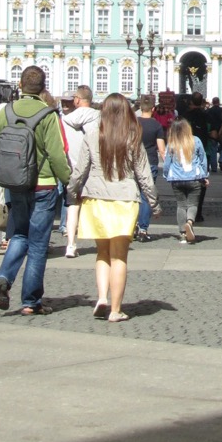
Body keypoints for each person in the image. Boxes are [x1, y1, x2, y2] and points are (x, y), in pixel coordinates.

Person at [0, 65, 71, 316]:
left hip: (15, 185)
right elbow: (57, 155)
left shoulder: (6, 112)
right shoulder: (48, 115)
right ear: (43, 88)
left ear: (20, 85)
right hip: (42, 185)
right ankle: (30, 301)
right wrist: (68, 181)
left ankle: (4, 277)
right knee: (37, 243)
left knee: (19, 235)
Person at [67, 93, 159, 321]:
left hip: (96, 199)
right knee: (119, 257)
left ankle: (101, 298)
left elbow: (80, 170)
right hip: (124, 201)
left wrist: (72, 191)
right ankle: (116, 310)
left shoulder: (92, 134)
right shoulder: (133, 136)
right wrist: (154, 203)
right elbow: (144, 174)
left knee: (102, 253)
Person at [62, 85, 100, 257]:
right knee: (97, 205)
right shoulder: (99, 118)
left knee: (73, 206)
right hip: (94, 169)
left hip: (73, 168)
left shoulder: (65, 120)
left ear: (77, 100)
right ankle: (101, 241)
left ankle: (71, 244)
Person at [163, 116, 209, 243]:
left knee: (181, 205)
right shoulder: (196, 141)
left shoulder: (172, 143)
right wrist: (205, 176)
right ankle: (189, 221)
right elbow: (203, 159)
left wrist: (166, 175)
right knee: (193, 204)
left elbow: (167, 163)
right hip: (194, 177)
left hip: (177, 179)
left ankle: (183, 233)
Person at [135, 94, 166, 241]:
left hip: (134, 162)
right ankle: (143, 229)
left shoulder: (133, 123)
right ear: (153, 108)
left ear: (141, 107)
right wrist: (168, 163)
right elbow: (161, 149)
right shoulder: (156, 125)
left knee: (133, 195)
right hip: (151, 162)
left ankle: (131, 226)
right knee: (147, 195)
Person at [186, 92, 211, 222]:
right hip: (202, 152)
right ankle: (198, 211)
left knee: (185, 179)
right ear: (202, 102)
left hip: (186, 150)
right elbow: (211, 131)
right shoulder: (206, 115)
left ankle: (187, 209)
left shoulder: (185, 116)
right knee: (201, 181)